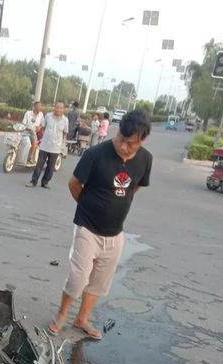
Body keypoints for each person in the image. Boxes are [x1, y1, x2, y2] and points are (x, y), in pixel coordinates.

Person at [48, 110, 153, 339]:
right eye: (121, 138)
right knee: (78, 277)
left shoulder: (145, 159)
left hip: (115, 233)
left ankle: (82, 318)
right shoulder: (95, 154)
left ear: (142, 140)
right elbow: (74, 183)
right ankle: (62, 313)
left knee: (99, 281)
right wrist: (89, 206)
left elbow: (134, 187)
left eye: (131, 143)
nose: (123, 146)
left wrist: (114, 203)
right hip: (87, 227)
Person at [26, 101, 68, 189]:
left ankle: (45, 182)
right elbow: (43, 127)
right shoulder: (48, 116)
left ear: (63, 109)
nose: (58, 109)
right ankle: (33, 181)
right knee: (39, 165)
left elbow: (65, 133)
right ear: (54, 107)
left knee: (50, 167)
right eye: (57, 107)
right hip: (45, 145)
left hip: (56, 148)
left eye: (60, 108)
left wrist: (62, 145)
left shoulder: (65, 120)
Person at [23, 101, 44, 165]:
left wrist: (39, 127)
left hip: (34, 133)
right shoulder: (28, 113)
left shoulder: (41, 114)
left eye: (40, 107)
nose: (39, 108)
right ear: (34, 107)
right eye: (38, 106)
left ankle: (30, 157)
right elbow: (23, 123)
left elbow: (43, 123)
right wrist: (28, 129)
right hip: (26, 131)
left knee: (34, 141)